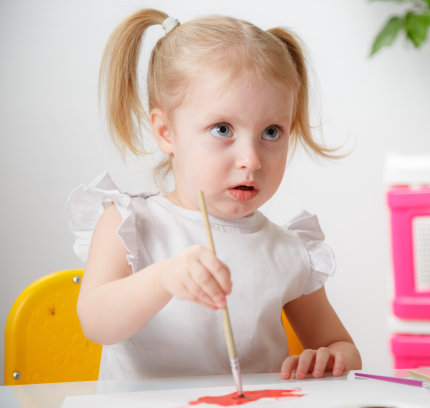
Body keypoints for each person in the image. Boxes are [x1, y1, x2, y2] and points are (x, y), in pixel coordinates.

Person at [67, 8, 362, 381]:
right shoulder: (130, 224)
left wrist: (330, 359)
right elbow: (96, 323)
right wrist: (164, 279)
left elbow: (342, 346)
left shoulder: (289, 249)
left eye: (272, 132)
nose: (251, 160)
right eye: (222, 129)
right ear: (165, 132)